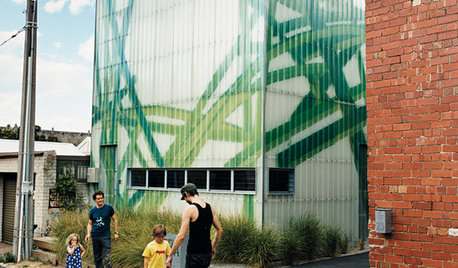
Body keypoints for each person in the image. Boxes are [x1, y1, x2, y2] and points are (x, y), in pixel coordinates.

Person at [166, 183, 223, 268]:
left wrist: (170, 255)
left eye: (184, 198)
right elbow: (219, 230)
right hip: (207, 254)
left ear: (186, 194)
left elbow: (181, 236)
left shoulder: (189, 209)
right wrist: (213, 247)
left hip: (194, 255)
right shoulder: (210, 208)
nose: (186, 201)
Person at [84, 190, 119, 268]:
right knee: (97, 257)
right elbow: (89, 224)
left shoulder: (109, 208)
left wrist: (116, 232)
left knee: (107, 257)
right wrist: (88, 234)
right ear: (95, 200)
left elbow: (115, 219)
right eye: (98, 198)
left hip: (105, 236)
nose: (100, 200)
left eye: (101, 198)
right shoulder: (92, 211)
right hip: (95, 236)